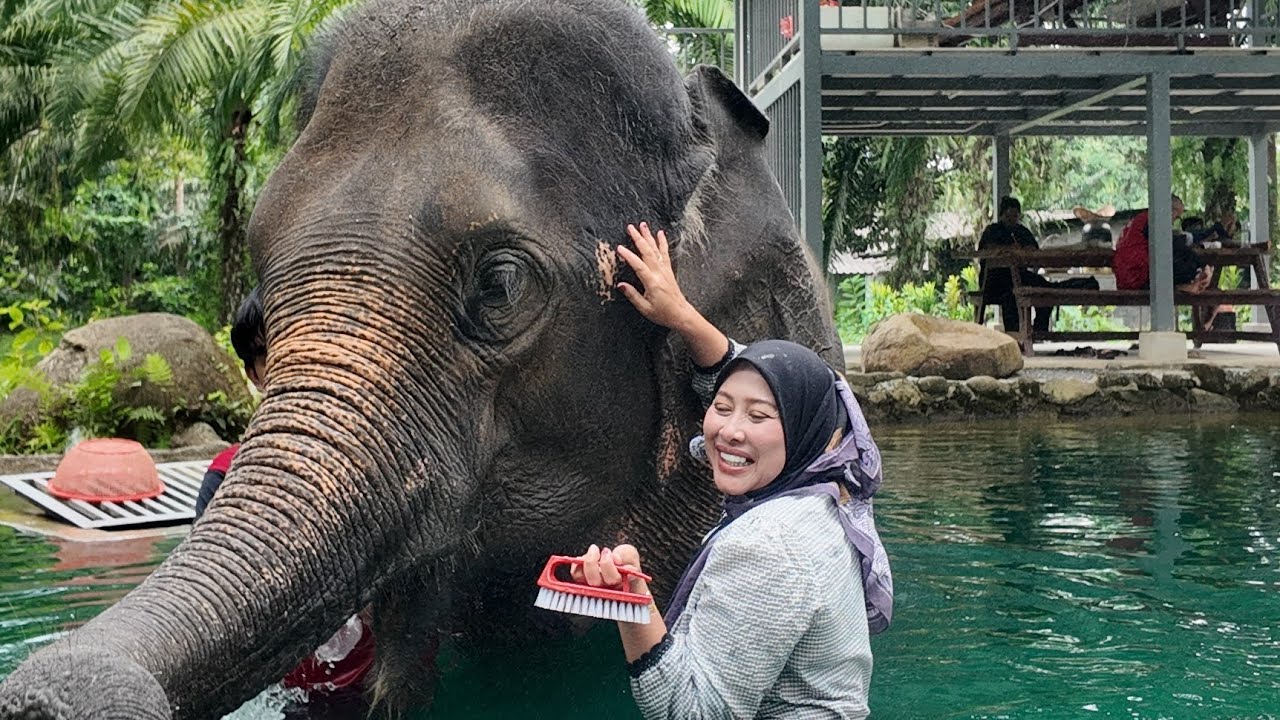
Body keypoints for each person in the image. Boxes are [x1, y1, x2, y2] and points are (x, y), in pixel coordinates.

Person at [569, 223, 893, 719]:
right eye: (722, 406)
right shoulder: (830, 488)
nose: (730, 430)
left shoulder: (768, 544)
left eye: (759, 416)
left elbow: (691, 711)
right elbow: (778, 385)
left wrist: (630, 597)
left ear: (804, 429)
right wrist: (681, 315)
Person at [193, 288, 376, 708]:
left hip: (376, 680)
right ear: (255, 374)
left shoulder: (377, 462)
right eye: (271, 353)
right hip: (292, 689)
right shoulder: (226, 476)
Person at [977, 196, 1056, 333]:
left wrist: (1026, 251)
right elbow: (986, 251)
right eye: (1009, 216)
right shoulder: (992, 231)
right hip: (995, 280)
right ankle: (1014, 335)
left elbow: (1034, 251)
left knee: (1045, 288)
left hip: (1020, 276)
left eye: (1015, 216)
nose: (1012, 220)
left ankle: (1039, 331)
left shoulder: (1022, 232)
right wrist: (1008, 250)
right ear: (1002, 215)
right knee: (1011, 295)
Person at [1113, 194, 1213, 293]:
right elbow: (1172, 245)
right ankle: (1184, 285)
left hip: (1126, 275)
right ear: (1170, 211)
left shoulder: (1141, 219)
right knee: (1181, 258)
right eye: (1176, 217)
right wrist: (1202, 264)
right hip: (1136, 276)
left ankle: (1185, 284)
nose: (1173, 222)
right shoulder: (1153, 220)